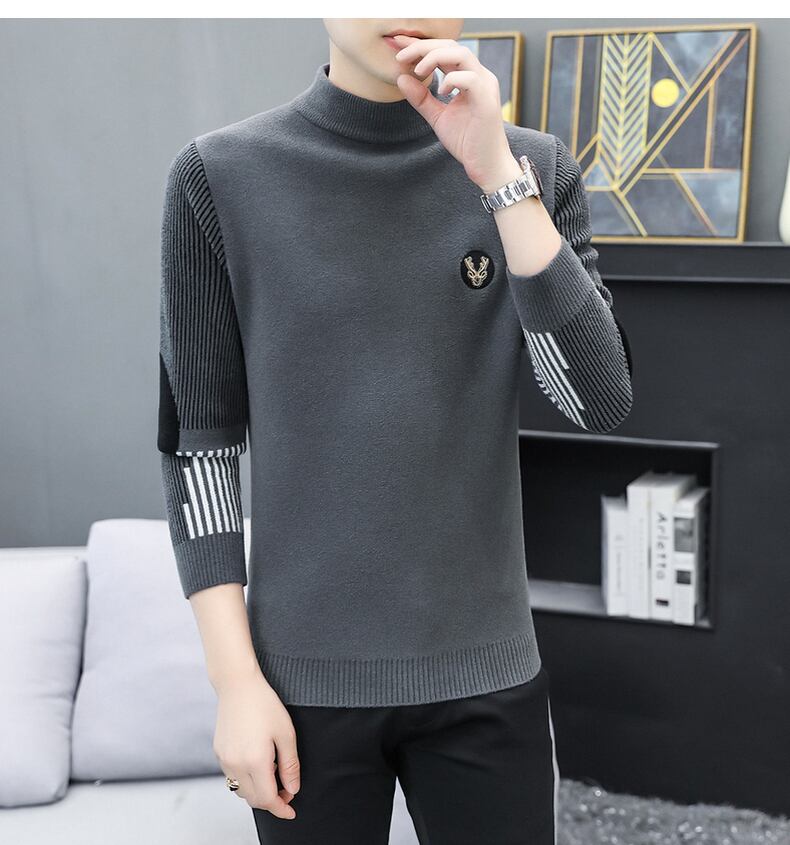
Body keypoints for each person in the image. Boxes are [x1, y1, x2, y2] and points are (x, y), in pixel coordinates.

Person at [157, 18, 633, 845]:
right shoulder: (218, 177)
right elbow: (201, 449)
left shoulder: (534, 167)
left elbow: (596, 402)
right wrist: (236, 683)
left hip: (487, 678)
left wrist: (496, 176)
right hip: (300, 689)